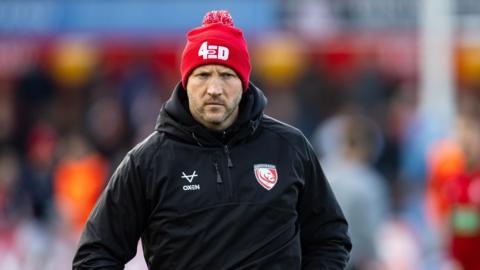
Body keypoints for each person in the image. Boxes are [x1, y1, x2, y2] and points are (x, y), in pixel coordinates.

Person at [72, 10, 351, 269]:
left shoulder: (290, 148)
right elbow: (95, 255)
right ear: (185, 82)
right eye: (203, 74)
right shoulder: (147, 162)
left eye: (227, 75)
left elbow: (330, 238)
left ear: (243, 84)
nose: (214, 88)